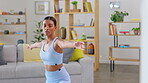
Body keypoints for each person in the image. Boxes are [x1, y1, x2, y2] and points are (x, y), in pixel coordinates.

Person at [27, 16, 85, 83]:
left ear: (55, 28)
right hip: (49, 79)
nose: (46, 28)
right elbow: (37, 44)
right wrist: (31, 46)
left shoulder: (57, 42)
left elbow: (63, 43)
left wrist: (74, 44)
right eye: (44, 26)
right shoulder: (43, 43)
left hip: (61, 78)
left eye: (50, 26)